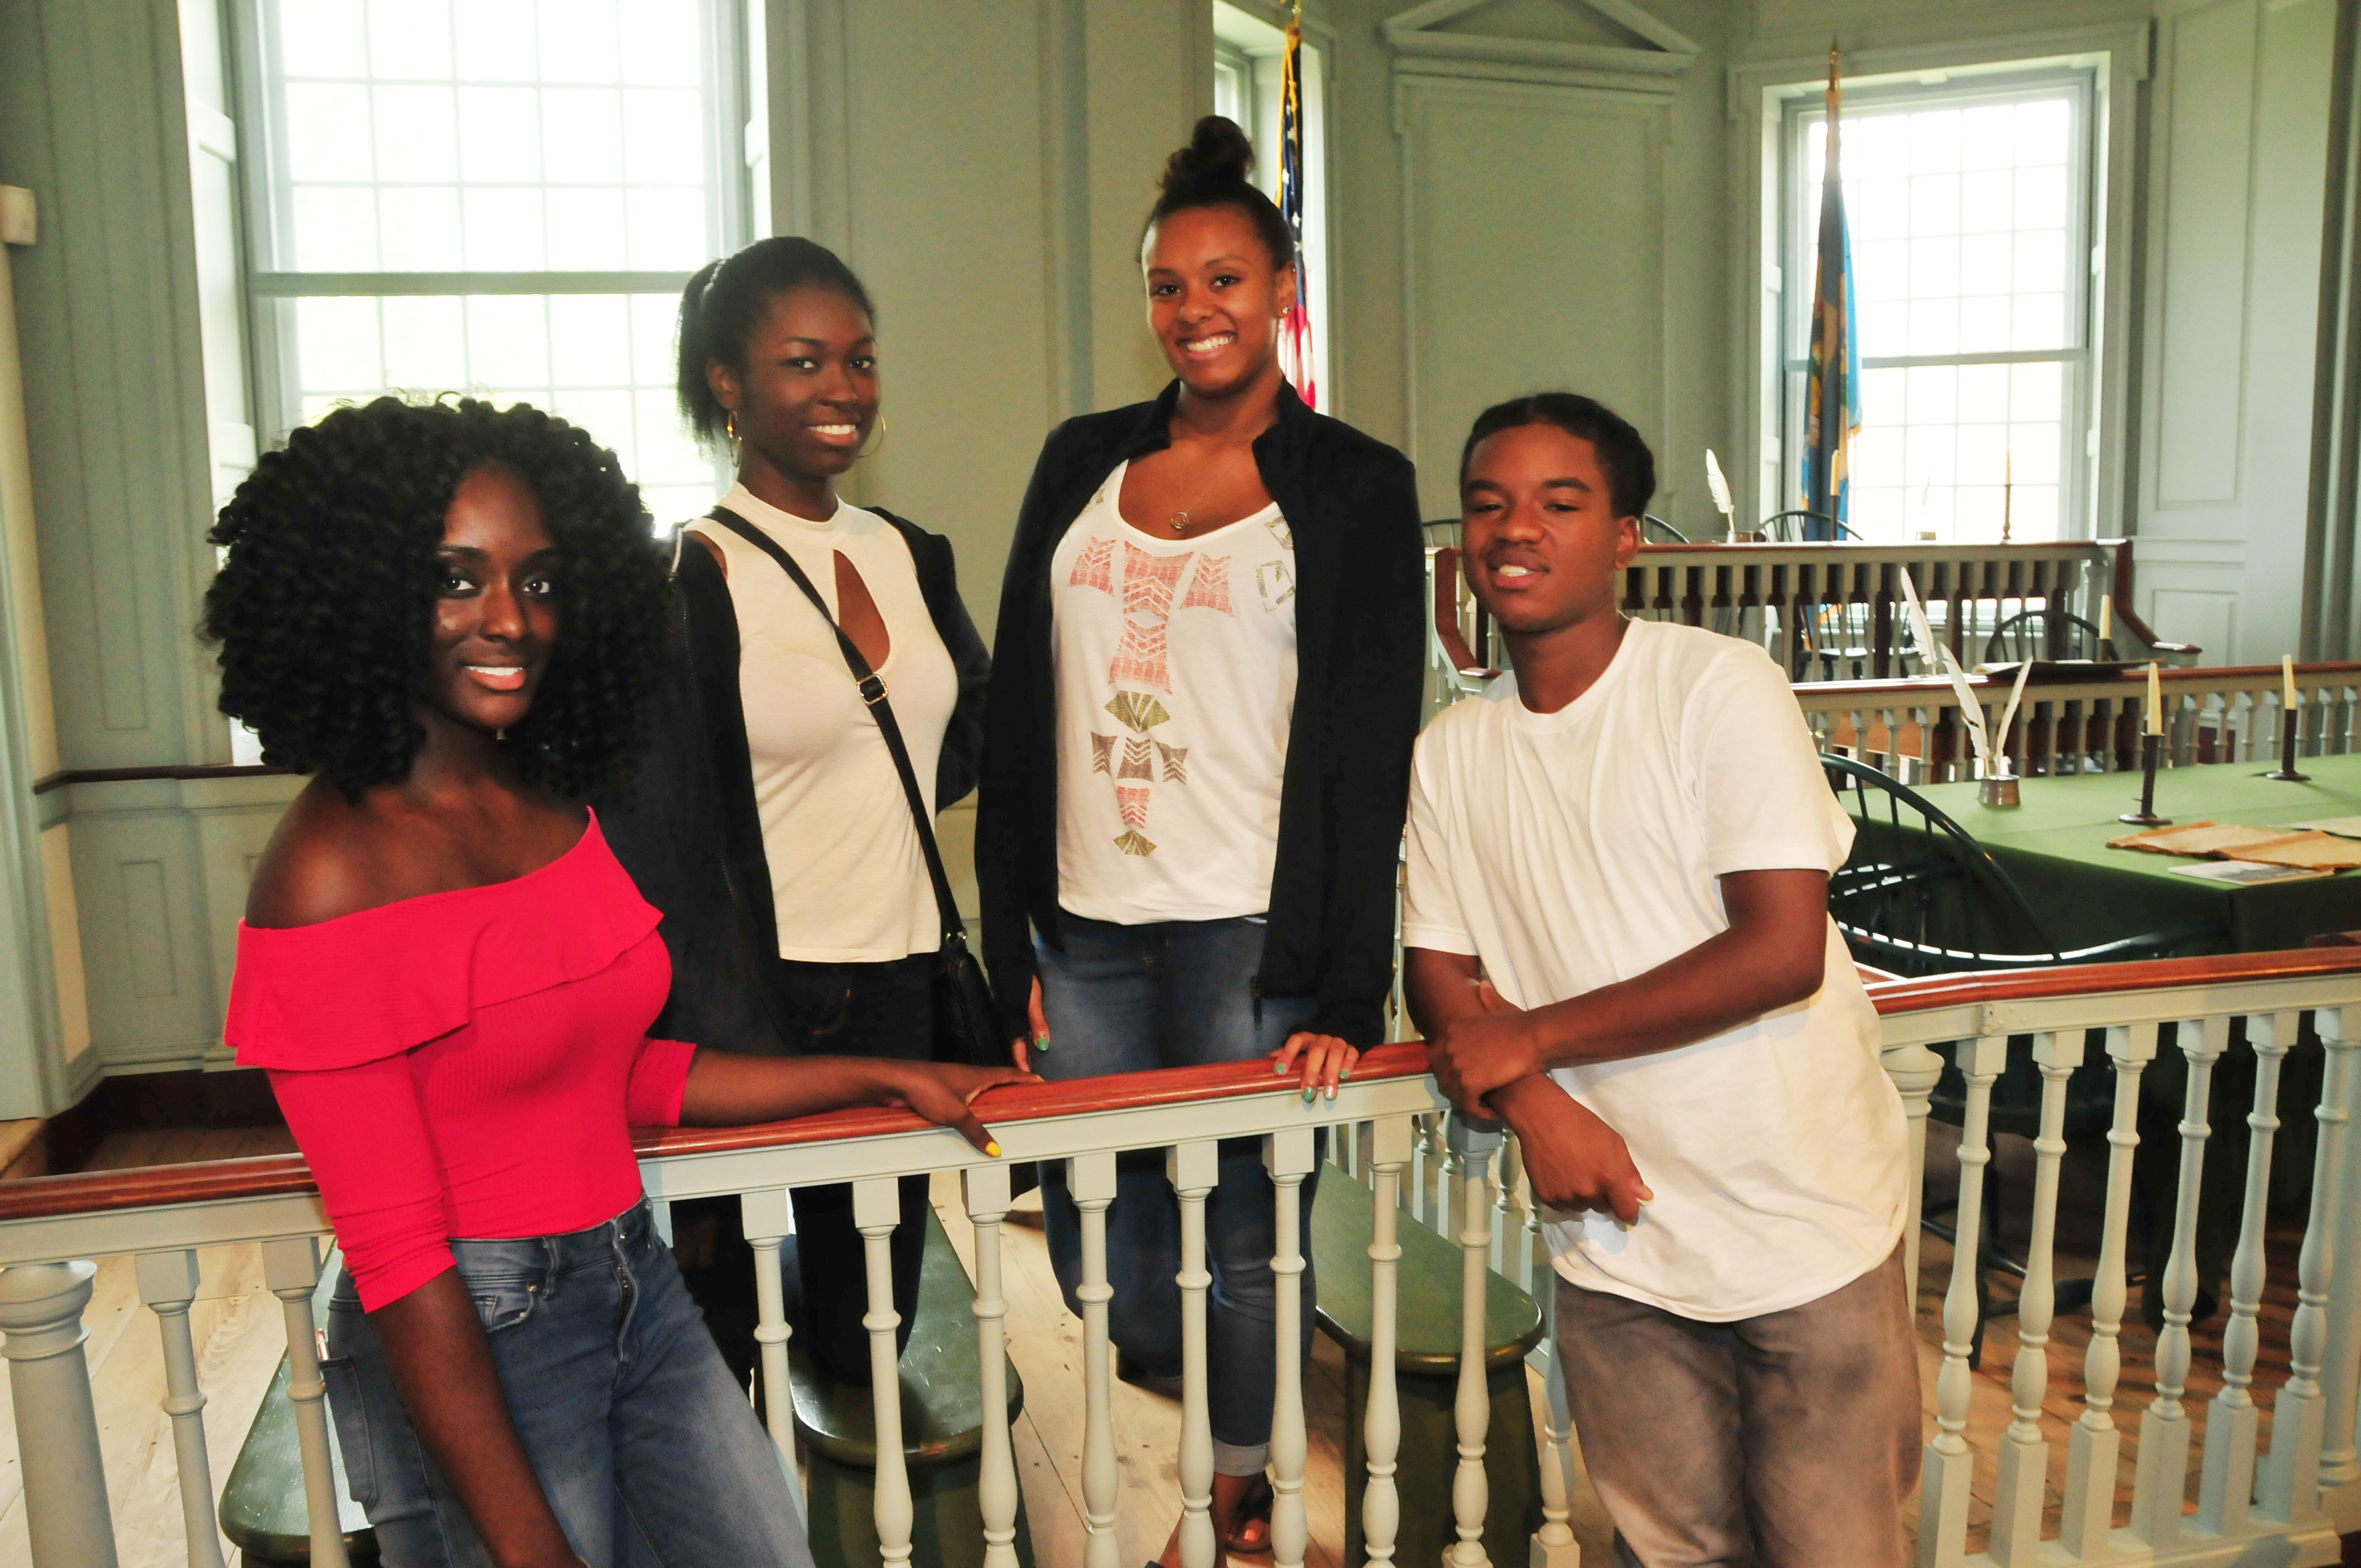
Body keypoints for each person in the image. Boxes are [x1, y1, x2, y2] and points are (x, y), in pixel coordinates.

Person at [208, 395, 1023, 1568]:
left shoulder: (547, 801)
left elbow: (608, 1070)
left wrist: (875, 1070)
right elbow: (401, 1264)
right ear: (363, 590)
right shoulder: (328, 872)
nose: (508, 620)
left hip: (631, 1276)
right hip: (475, 1334)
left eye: (539, 582)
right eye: (456, 577)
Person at [976, 115, 1425, 1565]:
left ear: (1281, 290)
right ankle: (1203, 1451)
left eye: (1225, 280)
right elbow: (1017, 701)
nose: (1194, 311)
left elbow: (1368, 747)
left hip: (1252, 925)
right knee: (1116, 1241)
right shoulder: (1082, 460)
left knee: (1245, 1238)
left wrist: (1351, 994)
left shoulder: (1354, 484)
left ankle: (1240, 1505)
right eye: (1170, 286)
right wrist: (1010, 948)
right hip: (1089, 923)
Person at [1401, 394, 1918, 1568]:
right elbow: (1438, 969)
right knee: (1668, 1549)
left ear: (1626, 533)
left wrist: (1525, 1038)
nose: (1512, 528)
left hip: (1798, 1217)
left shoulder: (1713, 686)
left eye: (1557, 501)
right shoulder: (1454, 750)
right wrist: (1538, 1106)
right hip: (1613, 1233)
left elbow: (1778, 946)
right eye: (1487, 503)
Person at [601, 235, 990, 1389]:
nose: (842, 391)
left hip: (911, 981)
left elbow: (959, 745)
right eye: (805, 361)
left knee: (870, 1322)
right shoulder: (690, 578)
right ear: (728, 383)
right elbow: (662, 830)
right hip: (766, 1001)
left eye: (861, 361)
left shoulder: (910, 552)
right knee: (736, 1334)